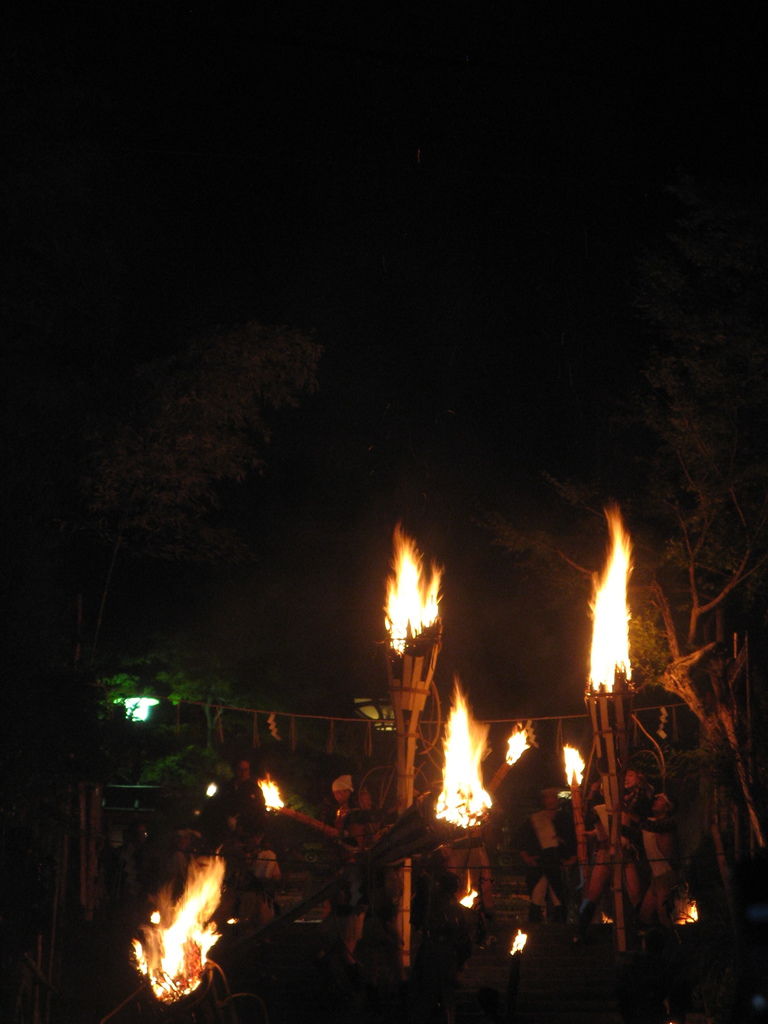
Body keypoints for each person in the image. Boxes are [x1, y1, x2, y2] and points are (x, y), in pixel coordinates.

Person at [516, 787, 575, 923]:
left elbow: (572, 838)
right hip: (540, 863)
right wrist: (526, 857)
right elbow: (520, 839)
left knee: (558, 897)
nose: (551, 800)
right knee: (537, 896)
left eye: (553, 797)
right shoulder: (535, 819)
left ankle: (559, 928)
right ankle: (535, 928)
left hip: (557, 862)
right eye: (547, 797)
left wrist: (572, 857)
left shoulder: (564, 818)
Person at [638, 792, 678, 929]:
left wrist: (626, 811)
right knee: (645, 914)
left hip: (666, 875)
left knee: (663, 915)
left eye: (660, 800)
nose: (655, 801)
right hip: (656, 876)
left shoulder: (668, 823)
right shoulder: (652, 823)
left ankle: (675, 945)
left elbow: (652, 827)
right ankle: (653, 945)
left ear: (667, 807)